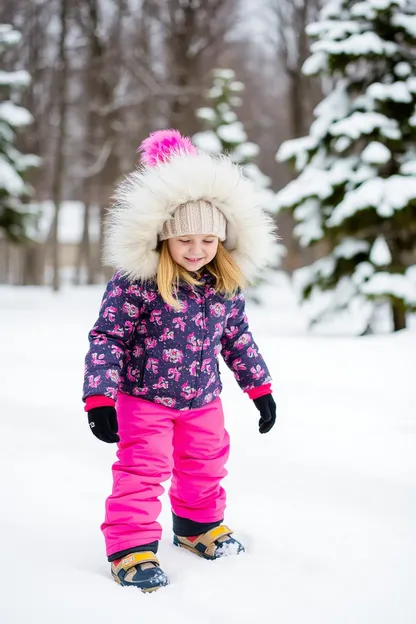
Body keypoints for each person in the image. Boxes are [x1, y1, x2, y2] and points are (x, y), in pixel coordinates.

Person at [83, 129, 278, 592]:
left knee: (206, 463)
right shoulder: (138, 283)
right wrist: (99, 398)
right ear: (165, 238)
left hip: (203, 400)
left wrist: (261, 389)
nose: (196, 250)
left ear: (222, 240)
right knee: (143, 471)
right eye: (185, 239)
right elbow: (107, 337)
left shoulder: (223, 285)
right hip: (144, 399)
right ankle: (131, 548)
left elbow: (237, 338)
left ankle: (196, 527)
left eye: (208, 239)